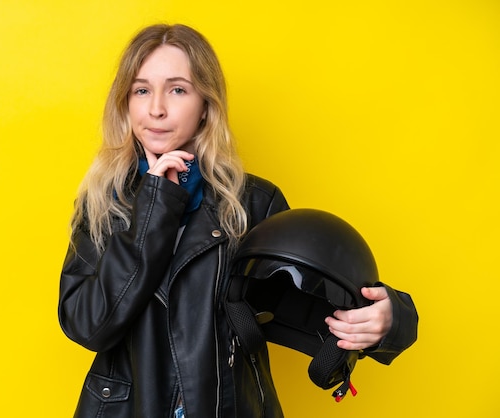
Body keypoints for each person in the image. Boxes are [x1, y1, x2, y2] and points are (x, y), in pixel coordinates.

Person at [58, 23, 418, 418]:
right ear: (125, 102)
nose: (156, 108)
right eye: (141, 90)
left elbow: (305, 307)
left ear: (205, 106)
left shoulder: (254, 202)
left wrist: (386, 320)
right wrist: (155, 207)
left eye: (177, 89)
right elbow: (89, 325)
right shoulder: (102, 203)